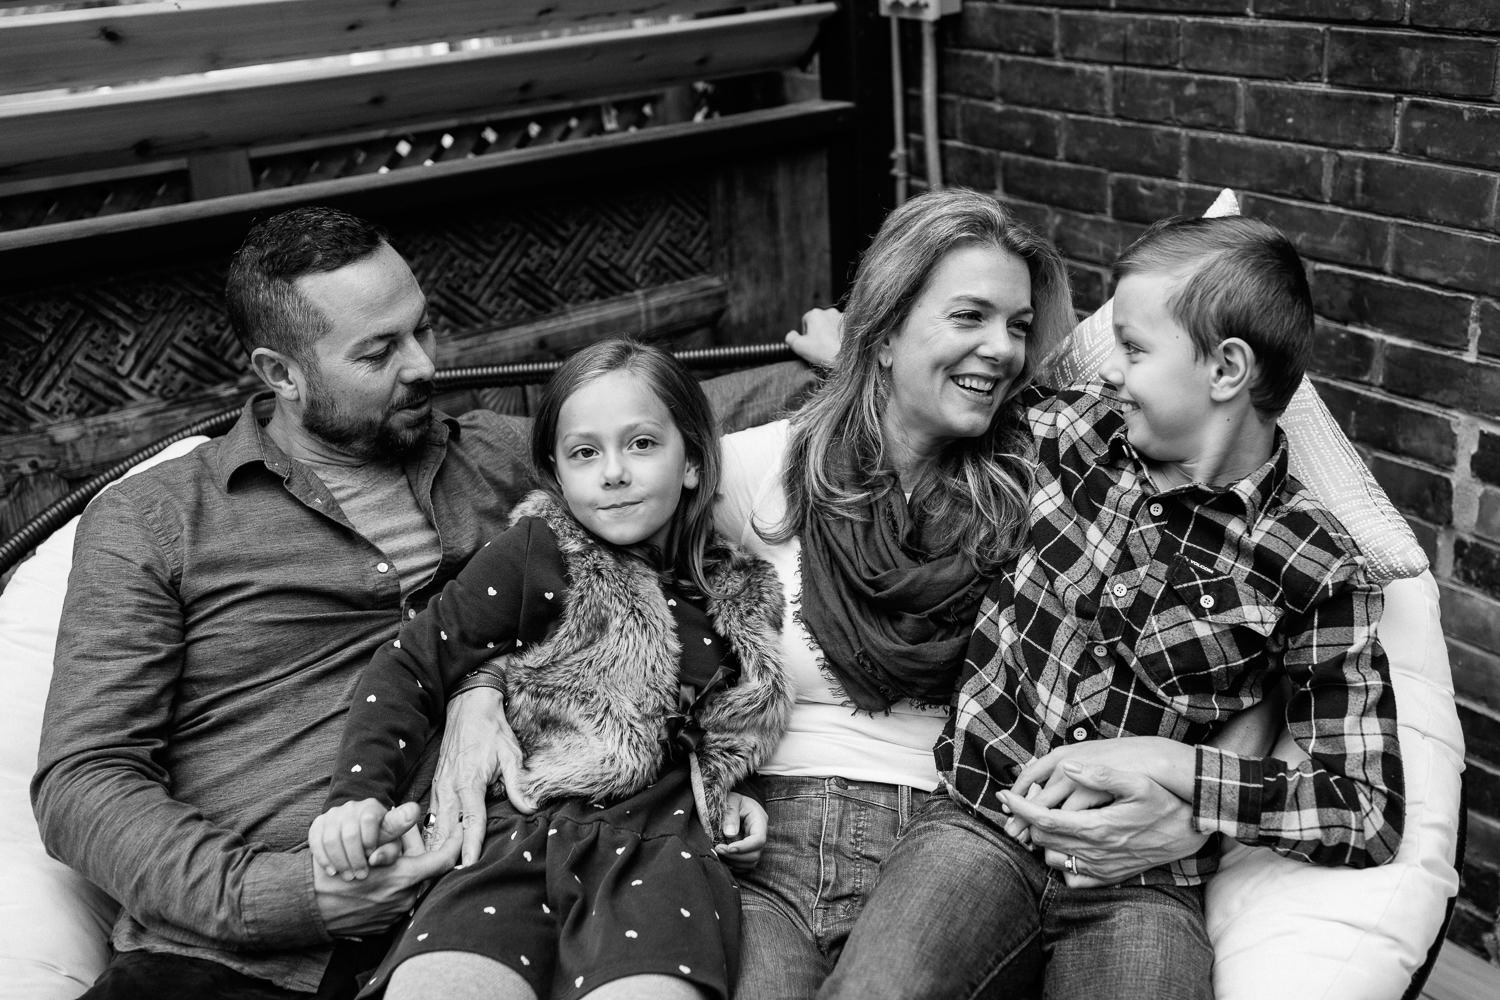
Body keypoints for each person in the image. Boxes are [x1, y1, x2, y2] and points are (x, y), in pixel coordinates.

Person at [30, 206, 820, 999]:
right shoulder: (157, 518)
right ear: (281, 373)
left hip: (502, 903)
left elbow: (675, 420)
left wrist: (855, 358)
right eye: (378, 351)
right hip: (237, 958)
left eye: (422, 331)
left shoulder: (507, 459)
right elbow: (84, 777)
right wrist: (288, 897)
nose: (421, 366)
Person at [817, 215, 1406, 1000]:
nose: (1114, 371)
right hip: (978, 826)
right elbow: (935, 394)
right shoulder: (1070, 430)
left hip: (1140, 883)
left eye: (1134, 348)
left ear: (1227, 368)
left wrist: (1184, 772)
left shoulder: (1317, 567)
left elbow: (1366, 811)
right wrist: (856, 357)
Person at [310, 339, 792, 1000]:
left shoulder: (739, 594)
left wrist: (737, 796)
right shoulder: (539, 553)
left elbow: (730, 731)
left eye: (643, 444)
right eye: (585, 453)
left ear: (693, 462)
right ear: (557, 472)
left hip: (663, 857)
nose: (613, 473)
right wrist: (358, 798)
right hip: (523, 832)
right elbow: (411, 663)